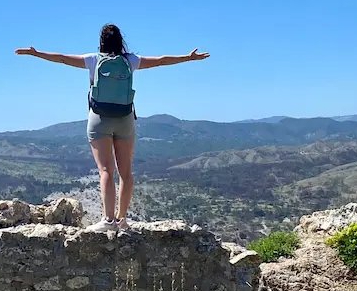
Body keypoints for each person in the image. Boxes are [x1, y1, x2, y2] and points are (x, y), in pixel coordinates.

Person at [15, 24, 210, 232]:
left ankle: (108, 221)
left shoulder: (93, 60)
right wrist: (188, 58)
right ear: (120, 40)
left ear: (102, 41)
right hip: (125, 118)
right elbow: (161, 61)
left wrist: (36, 54)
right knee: (126, 173)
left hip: (99, 118)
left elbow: (62, 58)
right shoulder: (130, 60)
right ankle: (122, 219)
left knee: (106, 170)